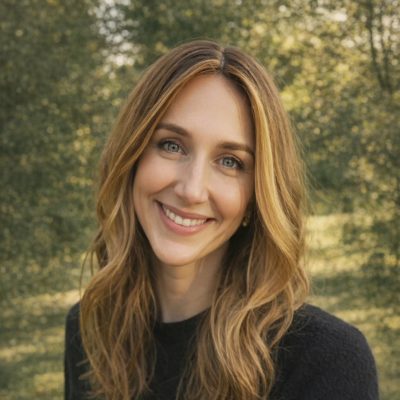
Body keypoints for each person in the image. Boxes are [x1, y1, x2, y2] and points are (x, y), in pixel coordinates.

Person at [64, 40, 379, 400]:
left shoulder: (326, 361)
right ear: (131, 157)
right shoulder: (91, 329)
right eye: (171, 145)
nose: (192, 190)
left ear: (256, 196)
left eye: (230, 162)